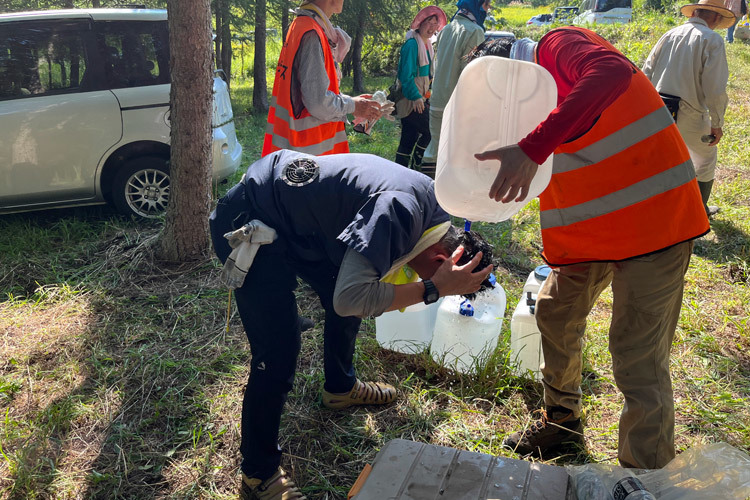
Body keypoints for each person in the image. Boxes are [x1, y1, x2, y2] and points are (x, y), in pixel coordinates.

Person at [473, 29, 710, 469]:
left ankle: (645, 477)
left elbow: (611, 72)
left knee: (636, 354)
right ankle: (561, 423)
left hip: (654, 224)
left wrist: (532, 147)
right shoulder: (518, 106)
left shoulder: (558, 45)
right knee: (555, 313)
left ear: (515, 68)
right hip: (592, 235)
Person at [209, 150, 493, 499]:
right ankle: (258, 472)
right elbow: (351, 298)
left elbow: (351, 295)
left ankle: (340, 389)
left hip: (292, 215)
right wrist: (432, 289)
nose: (446, 296)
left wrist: (434, 283)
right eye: (451, 287)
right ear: (441, 259)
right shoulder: (400, 213)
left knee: (341, 291)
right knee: (279, 350)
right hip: (248, 217)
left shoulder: (435, 214)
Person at [643, 0, 735, 218]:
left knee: (662, 160)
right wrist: (717, 123)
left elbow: (646, 71)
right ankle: (697, 214)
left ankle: (656, 209)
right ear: (716, 18)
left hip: (660, 110)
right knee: (705, 161)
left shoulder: (670, 34)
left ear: (694, 12)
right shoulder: (712, 40)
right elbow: (714, 89)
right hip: (692, 114)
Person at [261, 0, 383, 157]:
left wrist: (353, 103)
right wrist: (353, 106)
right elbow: (318, 103)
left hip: (296, 150)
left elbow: (311, 93)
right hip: (308, 156)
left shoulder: (302, 25)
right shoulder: (312, 33)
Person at [421, 0, 491, 171]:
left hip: (437, 101)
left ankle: (428, 191)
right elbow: (471, 74)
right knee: (455, 158)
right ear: (478, 5)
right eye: (486, 5)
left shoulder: (447, 29)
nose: (487, 10)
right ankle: (441, 195)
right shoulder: (474, 31)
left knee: (436, 149)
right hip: (457, 106)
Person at [394, 6, 447, 172]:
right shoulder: (411, 45)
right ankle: (419, 165)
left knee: (408, 139)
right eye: (428, 23)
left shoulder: (427, 46)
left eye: (434, 24)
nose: (431, 27)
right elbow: (405, 76)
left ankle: (401, 172)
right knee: (432, 131)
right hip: (410, 101)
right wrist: (416, 97)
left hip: (421, 99)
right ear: (420, 24)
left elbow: (428, 76)